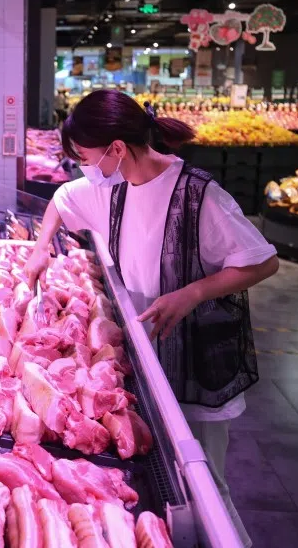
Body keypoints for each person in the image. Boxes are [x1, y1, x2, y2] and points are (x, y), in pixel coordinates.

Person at [25, 90, 278, 548]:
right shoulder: (113, 188)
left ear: (116, 148)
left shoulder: (199, 195)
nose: (85, 167)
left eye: (86, 156)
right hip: (147, 357)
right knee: (168, 480)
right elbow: (61, 200)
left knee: (207, 486)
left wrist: (192, 293)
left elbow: (262, 262)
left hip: (196, 360)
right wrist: (41, 249)